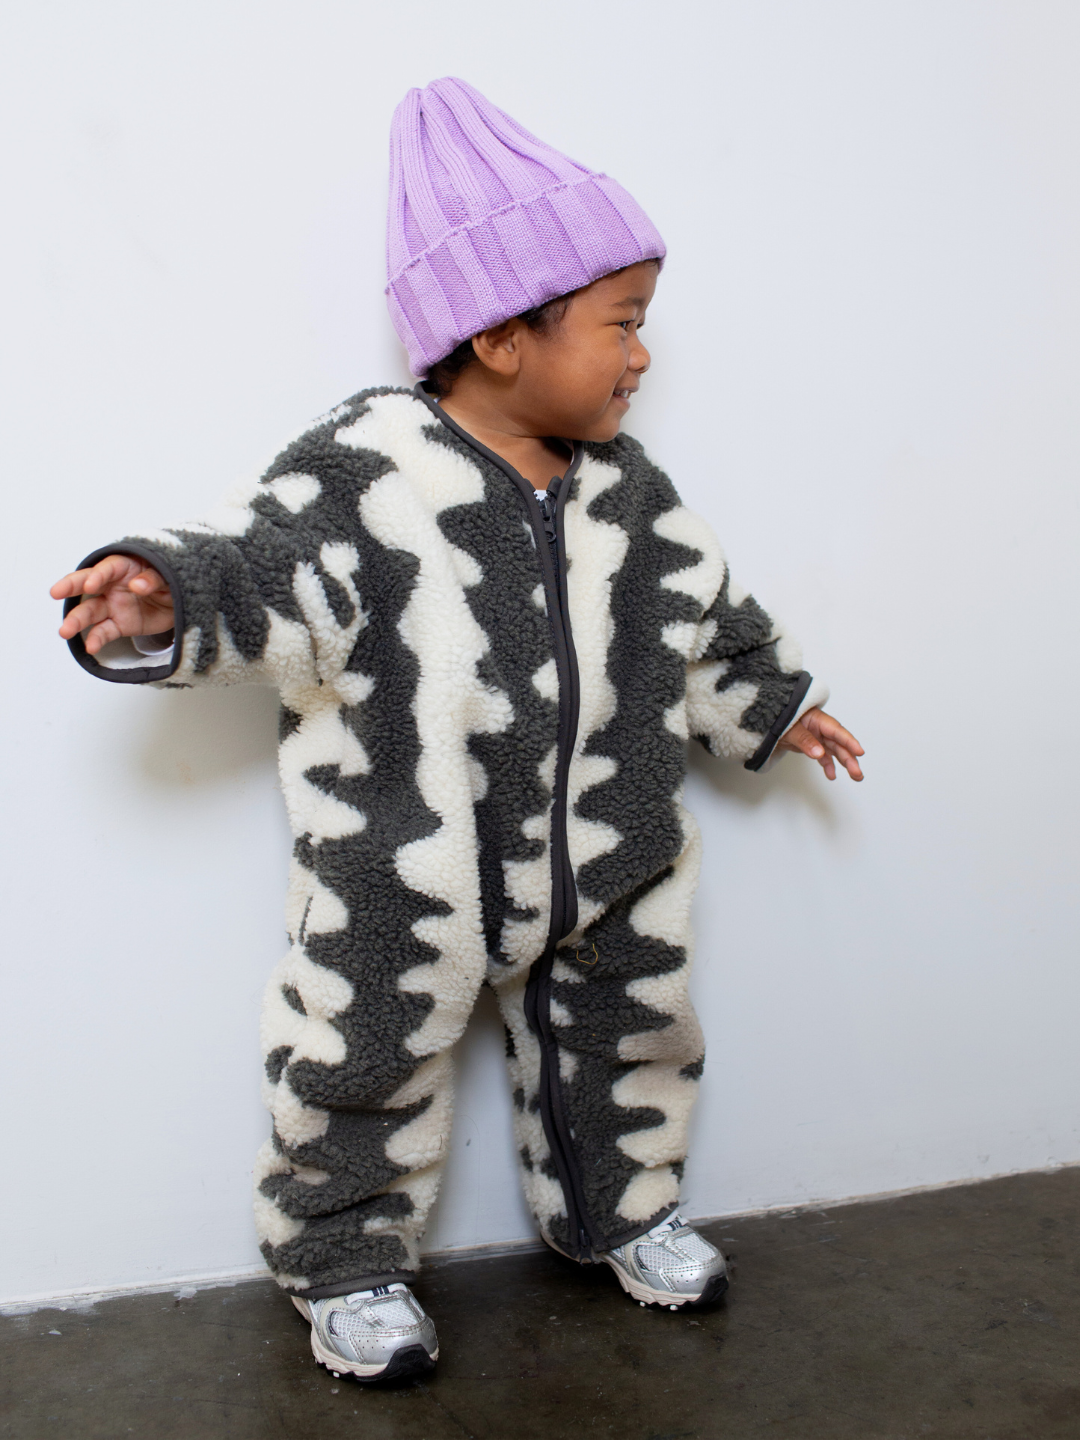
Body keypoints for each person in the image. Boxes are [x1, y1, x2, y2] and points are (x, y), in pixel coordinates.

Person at [50, 77, 864, 1384]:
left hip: (612, 849)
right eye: (622, 323)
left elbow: (703, 617)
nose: (642, 356)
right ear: (501, 335)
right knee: (361, 1050)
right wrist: (164, 592)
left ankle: (625, 1208)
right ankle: (347, 1260)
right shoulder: (370, 472)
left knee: (635, 1034)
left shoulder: (630, 493)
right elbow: (273, 573)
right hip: (407, 862)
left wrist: (778, 707)